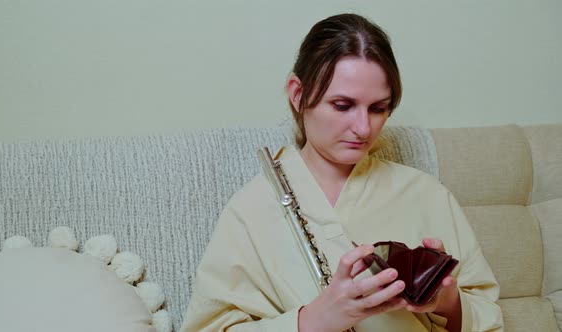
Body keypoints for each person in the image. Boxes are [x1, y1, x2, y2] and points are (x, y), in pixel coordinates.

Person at [180, 13, 503, 332]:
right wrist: (316, 320)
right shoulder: (250, 211)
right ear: (298, 94)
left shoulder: (426, 193)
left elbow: (488, 315)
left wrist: (447, 301)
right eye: (342, 105)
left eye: (378, 108)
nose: (363, 128)